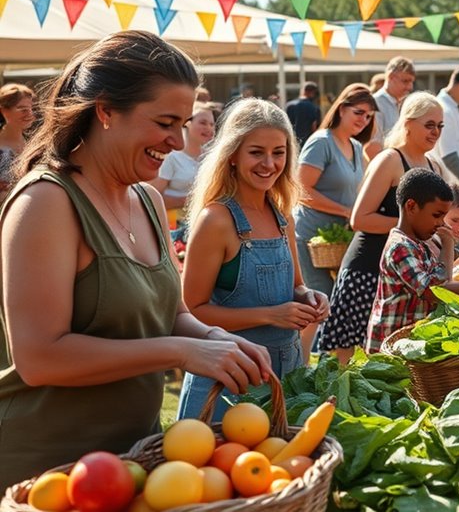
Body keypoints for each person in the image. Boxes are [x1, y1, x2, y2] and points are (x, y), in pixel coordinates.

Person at [0, 31, 272, 489]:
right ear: (105, 111)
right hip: (47, 471)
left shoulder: (146, 198)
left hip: (133, 461)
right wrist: (182, 351)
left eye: (184, 124)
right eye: (165, 122)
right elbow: (40, 357)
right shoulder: (46, 202)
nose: (175, 140)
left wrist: (214, 339)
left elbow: (173, 313)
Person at [177, 98, 329, 420]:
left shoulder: (282, 213)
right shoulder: (216, 219)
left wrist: (310, 297)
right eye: (256, 152)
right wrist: (271, 315)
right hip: (227, 379)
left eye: (278, 153)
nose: (269, 164)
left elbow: (297, 285)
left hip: (284, 376)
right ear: (232, 155)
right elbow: (194, 312)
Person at [320, 92, 443, 362]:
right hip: (366, 270)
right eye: (429, 125)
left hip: (405, 276)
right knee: (352, 362)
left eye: (440, 126)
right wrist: (408, 227)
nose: (436, 132)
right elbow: (359, 219)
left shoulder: (434, 166)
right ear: (408, 124)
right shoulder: (389, 161)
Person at [294, 84, 376, 358]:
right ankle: (298, 364)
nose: (363, 120)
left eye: (368, 116)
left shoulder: (355, 146)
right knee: (318, 301)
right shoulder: (322, 142)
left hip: (336, 240)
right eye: (359, 112)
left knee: (332, 303)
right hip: (309, 236)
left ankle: (320, 364)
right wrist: (345, 211)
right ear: (341, 108)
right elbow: (301, 190)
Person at [365, 168, 459, 352]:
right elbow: (433, 291)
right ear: (411, 206)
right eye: (436, 215)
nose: (442, 223)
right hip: (390, 350)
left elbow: (443, 280)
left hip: (408, 346)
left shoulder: (420, 244)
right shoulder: (400, 247)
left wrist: (447, 244)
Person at [149, 102, 216, 229]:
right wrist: (189, 201)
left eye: (212, 124)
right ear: (187, 124)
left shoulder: (211, 157)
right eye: (203, 123)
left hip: (201, 224)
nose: (209, 128)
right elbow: (153, 197)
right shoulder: (171, 156)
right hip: (172, 226)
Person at [0, 84, 35, 196]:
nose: (29, 114)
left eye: (31, 109)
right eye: (22, 109)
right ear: (4, 111)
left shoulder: (35, 144)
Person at [373, 56, 416, 142]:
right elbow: (372, 147)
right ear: (390, 77)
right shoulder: (375, 103)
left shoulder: (404, 103)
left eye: (412, 82)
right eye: (405, 81)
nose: (410, 87)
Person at [285, 82, 322, 146]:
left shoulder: (289, 105)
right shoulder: (314, 108)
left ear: (302, 91)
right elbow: (314, 128)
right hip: (307, 144)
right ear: (313, 93)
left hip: (291, 144)